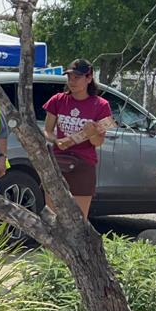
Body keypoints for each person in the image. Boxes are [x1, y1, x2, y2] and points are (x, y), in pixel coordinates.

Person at [42, 59, 112, 218]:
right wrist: (56, 141)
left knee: (78, 220)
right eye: (69, 77)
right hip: (58, 161)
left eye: (77, 77)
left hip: (83, 164)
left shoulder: (101, 105)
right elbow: (47, 130)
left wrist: (92, 133)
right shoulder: (57, 100)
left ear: (88, 78)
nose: (72, 82)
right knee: (51, 217)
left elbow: (98, 142)